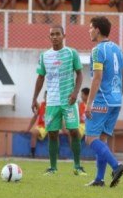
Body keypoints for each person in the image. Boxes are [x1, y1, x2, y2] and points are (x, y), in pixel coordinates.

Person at [31, 24, 86, 176]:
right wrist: (34, 98)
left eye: (57, 34)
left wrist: (75, 93)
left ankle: (77, 167)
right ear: (49, 37)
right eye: (52, 34)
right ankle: (53, 168)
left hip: (69, 101)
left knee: (74, 131)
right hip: (52, 103)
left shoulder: (71, 53)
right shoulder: (44, 56)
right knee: (52, 134)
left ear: (64, 36)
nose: (54, 36)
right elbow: (40, 77)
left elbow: (80, 74)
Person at [85, 16, 123, 188]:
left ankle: (116, 166)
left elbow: (97, 78)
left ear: (97, 29)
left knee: (90, 139)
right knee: (102, 139)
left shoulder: (97, 50)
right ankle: (99, 179)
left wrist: (88, 103)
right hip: (116, 101)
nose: (89, 31)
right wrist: (118, 96)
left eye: (90, 27)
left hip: (102, 101)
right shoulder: (117, 49)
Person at [27, 91, 48, 158]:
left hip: (51, 126)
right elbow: (34, 117)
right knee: (34, 132)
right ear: (44, 97)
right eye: (46, 96)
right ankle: (32, 153)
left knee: (54, 133)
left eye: (49, 96)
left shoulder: (54, 106)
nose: (47, 98)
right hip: (41, 127)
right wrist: (28, 129)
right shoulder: (41, 105)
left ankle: (55, 154)